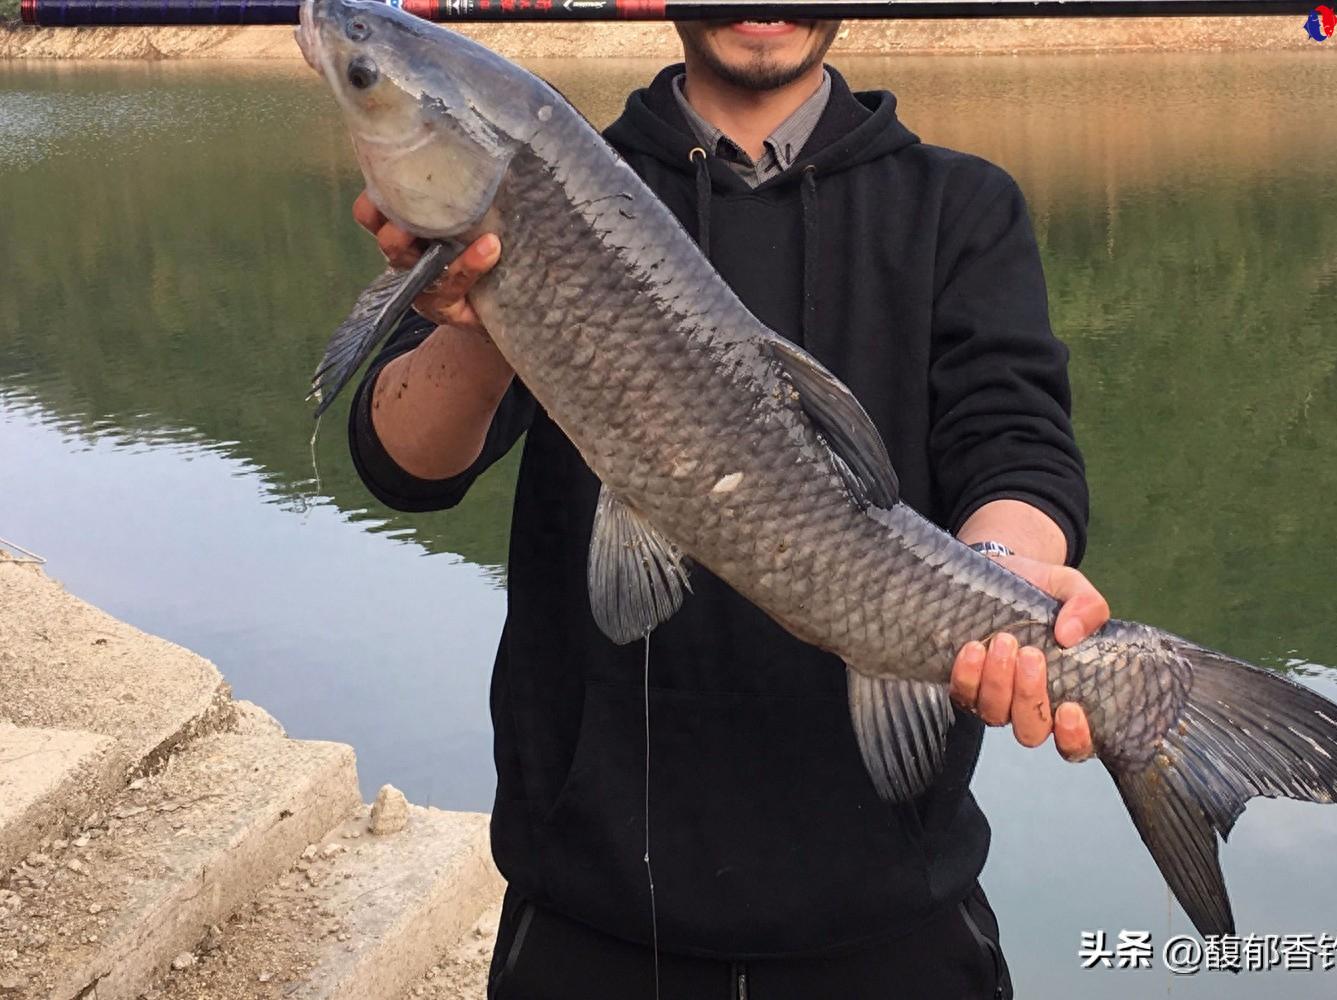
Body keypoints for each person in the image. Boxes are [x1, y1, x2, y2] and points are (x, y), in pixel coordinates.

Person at [347, 16, 1109, 1000]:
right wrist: (497, 298)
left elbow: (1016, 445)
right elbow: (405, 464)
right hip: (589, 912)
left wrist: (996, 587)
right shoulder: (567, 179)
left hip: (895, 916)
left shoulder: (961, 206)